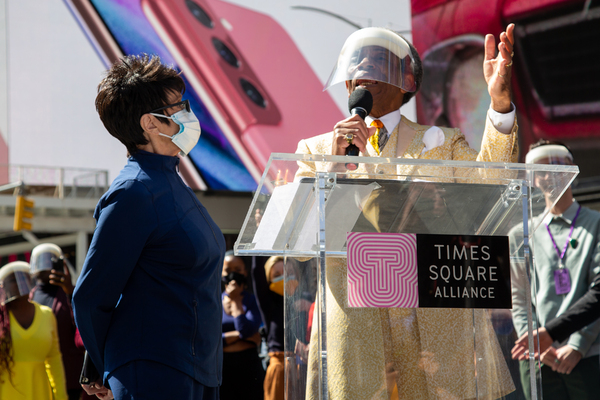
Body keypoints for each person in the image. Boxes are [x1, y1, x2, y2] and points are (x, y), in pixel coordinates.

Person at [295, 25, 518, 400]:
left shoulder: (444, 143)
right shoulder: (316, 150)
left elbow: (492, 185)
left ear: (408, 79)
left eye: (378, 59)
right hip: (358, 328)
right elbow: (302, 242)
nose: (363, 65)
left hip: (434, 325)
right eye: (357, 59)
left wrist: (499, 104)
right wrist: (334, 166)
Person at [72, 54, 226, 400]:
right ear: (150, 123)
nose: (189, 114)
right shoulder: (134, 192)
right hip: (156, 371)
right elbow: (92, 296)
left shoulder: (169, 180)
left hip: (198, 370)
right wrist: (106, 365)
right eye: (178, 106)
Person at [510, 140, 600, 399]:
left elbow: (598, 292)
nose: (549, 175)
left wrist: (578, 345)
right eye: (540, 170)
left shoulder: (596, 224)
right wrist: (534, 341)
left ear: (572, 169)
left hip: (587, 354)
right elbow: (519, 298)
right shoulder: (521, 234)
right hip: (538, 358)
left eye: (557, 166)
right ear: (533, 179)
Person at [0, 261, 67, 400]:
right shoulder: (1, 318)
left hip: (41, 393)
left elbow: (54, 359)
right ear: (3, 286)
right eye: (13, 280)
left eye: (24, 277)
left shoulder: (47, 315)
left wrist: (61, 396)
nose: (20, 283)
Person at [29, 243, 85, 400]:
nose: (47, 266)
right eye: (42, 262)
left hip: (69, 378)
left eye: (51, 262)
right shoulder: (29, 297)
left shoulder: (71, 292)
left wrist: (71, 293)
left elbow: (83, 327)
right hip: (40, 378)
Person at [511, 274, 600, 360]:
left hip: (588, 353)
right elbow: (518, 295)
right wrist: (533, 341)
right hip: (537, 356)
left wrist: (578, 343)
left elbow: (597, 294)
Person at [221, 251, 264, 400]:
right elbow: (210, 339)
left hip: (249, 366)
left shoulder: (252, 301)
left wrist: (236, 301)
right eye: (228, 270)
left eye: (238, 270)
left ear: (245, 272)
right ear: (221, 273)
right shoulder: (213, 302)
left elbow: (246, 329)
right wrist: (240, 335)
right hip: (222, 366)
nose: (233, 275)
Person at [252, 256, 285, 400]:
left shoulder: (307, 299)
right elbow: (256, 272)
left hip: (304, 365)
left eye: (286, 272)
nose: (284, 277)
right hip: (279, 365)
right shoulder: (268, 304)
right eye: (277, 275)